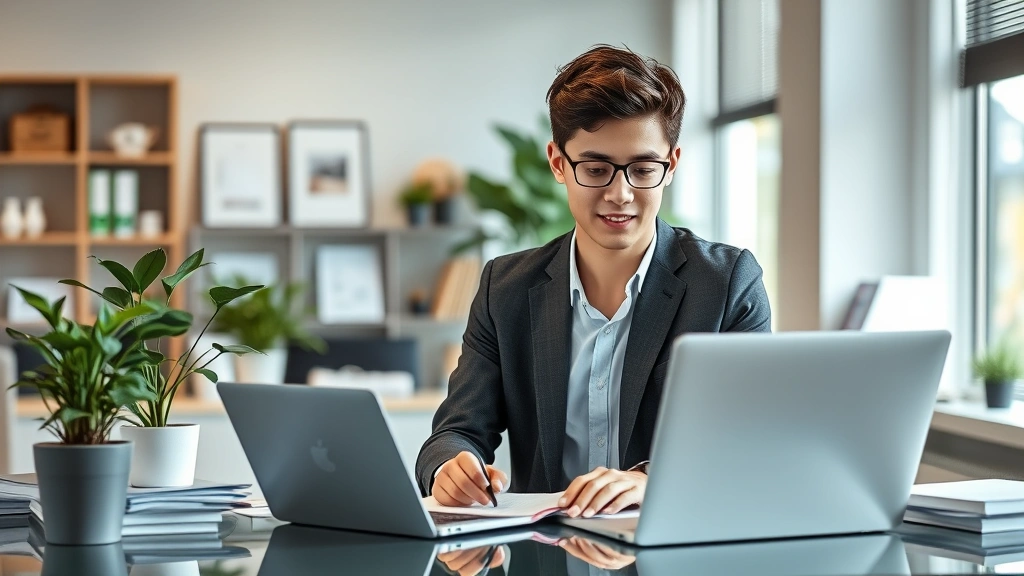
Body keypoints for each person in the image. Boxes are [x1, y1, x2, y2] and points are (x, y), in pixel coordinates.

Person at [416, 45, 771, 519]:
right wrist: (450, 469)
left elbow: (750, 442)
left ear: (672, 164)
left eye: (643, 169)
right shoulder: (505, 288)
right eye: (596, 169)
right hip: (543, 556)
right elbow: (455, 432)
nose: (620, 194)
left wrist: (651, 480)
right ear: (558, 164)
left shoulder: (727, 285)